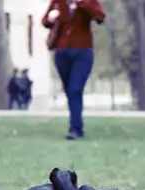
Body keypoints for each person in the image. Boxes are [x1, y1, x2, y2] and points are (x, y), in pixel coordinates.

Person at [41, 0, 105, 140]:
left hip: (82, 52)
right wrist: (51, 18)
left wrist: (83, 4)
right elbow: (45, 21)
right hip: (62, 52)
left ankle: (75, 129)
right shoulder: (58, 2)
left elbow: (100, 17)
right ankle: (76, 125)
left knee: (75, 89)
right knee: (70, 91)